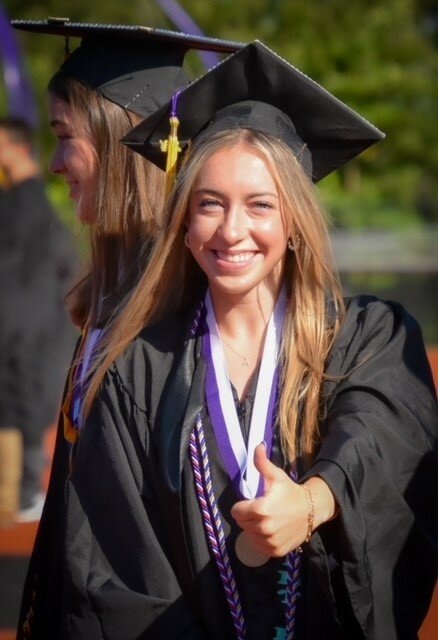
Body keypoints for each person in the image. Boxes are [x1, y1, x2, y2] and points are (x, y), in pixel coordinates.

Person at [27, 40, 438, 638]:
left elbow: (380, 441)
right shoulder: (138, 368)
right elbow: (118, 574)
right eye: (209, 204)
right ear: (185, 225)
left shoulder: (367, 339)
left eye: (261, 205)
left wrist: (314, 502)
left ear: (294, 222)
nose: (233, 229)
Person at [12, 18, 243, 638]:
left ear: (121, 142)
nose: (56, 161)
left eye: (66, 136)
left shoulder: (194, 313)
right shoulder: (118, 294)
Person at [0, 117, 77, 526]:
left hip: (28, 328)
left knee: (23, 406)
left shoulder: (23, 205)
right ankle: (24, 491)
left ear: (16, 147)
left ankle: (27, 491)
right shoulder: (35, 204)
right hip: (39, 324)